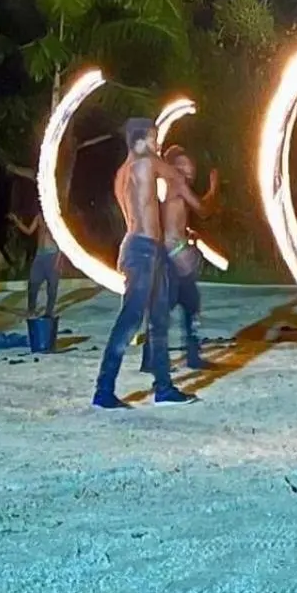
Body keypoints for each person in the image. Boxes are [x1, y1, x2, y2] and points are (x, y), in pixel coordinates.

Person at [92, 119, 204, 409]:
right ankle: (104, 390)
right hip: (142, 251)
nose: (157, 145)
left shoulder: (123, 173)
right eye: (154, 139)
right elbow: (176, 175)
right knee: (131, 318)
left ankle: (163, 388)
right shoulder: (145, 163)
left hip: (145, 250)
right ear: (139, 142)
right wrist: (178, 165)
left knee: (159, 320)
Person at [141, 146, 219, 373]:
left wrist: (185, 234)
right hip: (175, 256)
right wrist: (214, 187)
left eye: (189, 164)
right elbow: (203, 210)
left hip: (169, 252)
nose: (188, 169)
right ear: (171, 167)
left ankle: (186, 356)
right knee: (171, 305)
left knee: (187, 304)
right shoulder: (177, 183)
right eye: (181, 164)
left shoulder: (164, 187)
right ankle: (155, 359)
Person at [9, 206, 62, 320]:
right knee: (33, 284)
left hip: (52, 255)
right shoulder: (39, 217)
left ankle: (49, 312)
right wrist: (17, 221)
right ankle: (31, 310)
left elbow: (62, 242)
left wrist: (58, 261)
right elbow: (29, 231)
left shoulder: (56, 218)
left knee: (52, 288)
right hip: (40, 255)